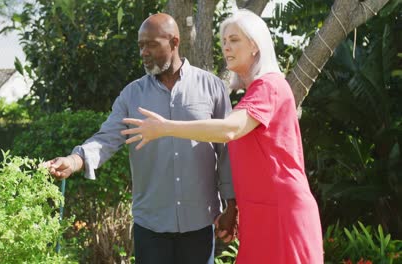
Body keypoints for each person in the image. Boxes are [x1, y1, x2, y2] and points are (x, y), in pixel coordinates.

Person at [121, 9, 324, 264]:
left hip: (281, 214)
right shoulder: (253, 93)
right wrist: (234, 206)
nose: (226, 47)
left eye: (235, 40)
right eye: (224, 41)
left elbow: (228, 130)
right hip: (259, 214)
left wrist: (165, 127)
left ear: (255, 45)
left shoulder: (269, 86)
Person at [45, 13, 238, 264]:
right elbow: (106, 138)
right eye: (141, 46)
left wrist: (231, 204)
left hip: (199, 222)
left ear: (174, 42)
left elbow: (226, 150)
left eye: (152, 44)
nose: (144, 52)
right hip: (151, 226)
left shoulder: (211, 87)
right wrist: (74, 160)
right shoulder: (132, 95)